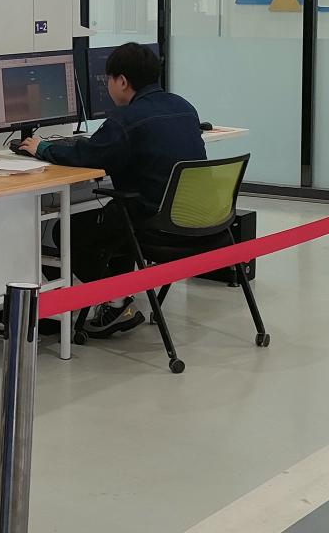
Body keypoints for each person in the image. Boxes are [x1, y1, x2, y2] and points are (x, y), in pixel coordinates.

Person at [20, 42, 206, 338]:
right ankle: (116, 301)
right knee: (114, 221)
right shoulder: (184, 107)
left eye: (108, 78)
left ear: (122, 81)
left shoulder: (125, 120)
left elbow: (88, 156)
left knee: (66, 230)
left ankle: (116, 299)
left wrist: (42, 148)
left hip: (152, 223)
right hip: (195, 219)